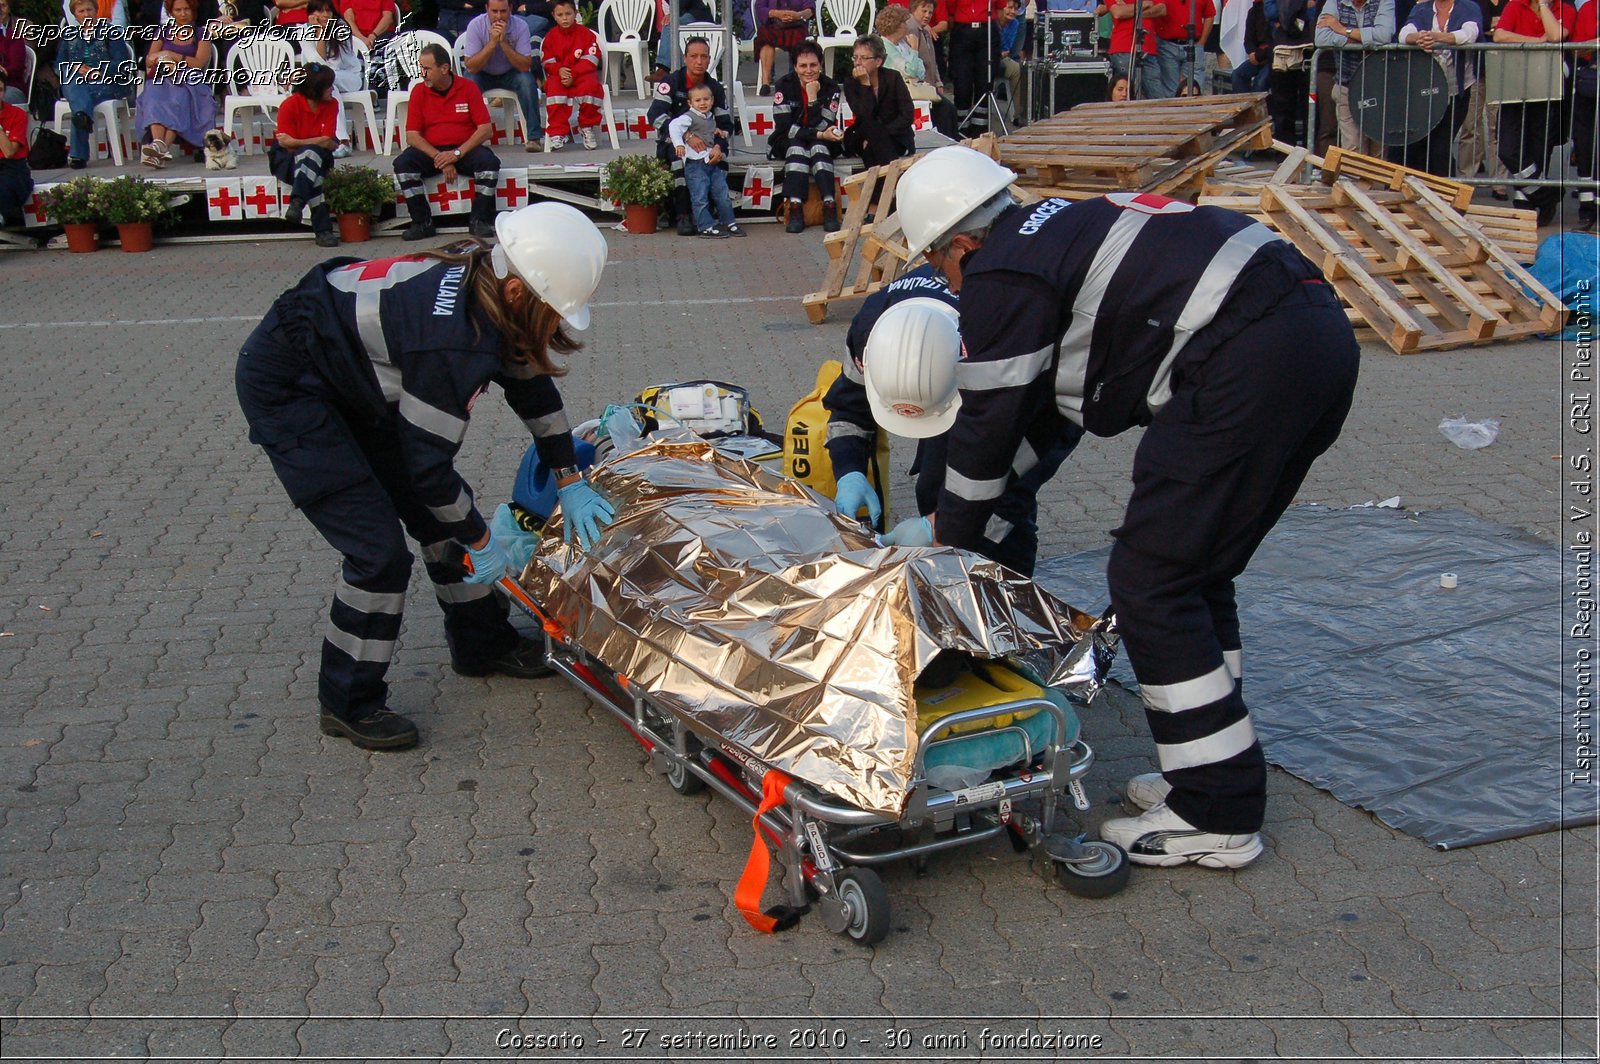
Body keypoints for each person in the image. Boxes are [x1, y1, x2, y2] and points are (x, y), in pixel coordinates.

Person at [885, 146, 1360, 868]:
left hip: (1247, 357)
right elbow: (1042, 423)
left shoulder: (1002, 271)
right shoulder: (1056, 234)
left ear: (959, 243)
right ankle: (1205, 774)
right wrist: (966, 516)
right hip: (1314, 336)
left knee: (1152, 580)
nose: (950, 282)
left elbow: (982, 436)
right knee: (1195, 573)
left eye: (940, 263)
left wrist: (947, 535)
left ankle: (1217, 814)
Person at [234, 203, 616, 752]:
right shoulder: (453, 342)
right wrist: (484, 542)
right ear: (517, 295)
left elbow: (531, 385)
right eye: (553, 310)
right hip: (292, 388)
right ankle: (348, 702)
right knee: (379, 555)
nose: (556, 323)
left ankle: (481, 644)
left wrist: (568, 475)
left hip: (349, 375)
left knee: (442, 524)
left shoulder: (490, 277)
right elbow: (428, 469)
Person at [826, 265, 1082, 575]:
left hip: (1018, 397)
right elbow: (848, 408)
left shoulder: (1006, 335)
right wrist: (849, 471)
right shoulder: (871, 329)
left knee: (997, 502)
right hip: (946, 387)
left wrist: (943, 524)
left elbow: (1052, 430)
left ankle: (1008, 594)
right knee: (937, 486)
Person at [394, 42, 500, 240]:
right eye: (420, 68)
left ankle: (479, 221)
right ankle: (422, 223)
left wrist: (456, 154)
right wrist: (440, 157)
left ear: (444, 68)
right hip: (432, 151)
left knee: (490, 164)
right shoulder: (418, 91)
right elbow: (412, 136)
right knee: (403, 165)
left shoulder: (468, 87)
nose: (422, 74)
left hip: (464, 150)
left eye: (427, 69)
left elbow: (485, 130)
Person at [1493, 0, 1575, 224]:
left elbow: (1557, 35)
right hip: (1514, 83)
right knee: (1508, 148)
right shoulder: (1515, 5)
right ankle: (1547, 195)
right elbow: (1499, 35)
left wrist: (1544, 6)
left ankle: (1526, 202)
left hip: (1546, 85)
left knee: (1538, 146)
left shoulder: (1564, 9)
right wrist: (1537, 41)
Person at [647, 36, 734, 235]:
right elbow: (654, 115)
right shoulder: (671, 82)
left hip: (709, 144)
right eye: (694, 56)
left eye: (704, 56)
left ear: (710, 59)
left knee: (719, 164)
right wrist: (686, 136)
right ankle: (683, 215)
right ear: (685, 58)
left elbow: (726, 124)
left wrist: (719, 146)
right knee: (679, 163)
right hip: (674, 142)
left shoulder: (715, 88)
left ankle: (716, 215)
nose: (699, 61)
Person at [1390, 0, 1480, 175]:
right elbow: (1404, 34)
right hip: (1424, 91)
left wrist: (1436, 37)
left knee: (1441, 146)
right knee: (1418, 144)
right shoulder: (1421, 8)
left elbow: (1468, 34)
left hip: (1456, 91)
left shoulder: (1468, 7)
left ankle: (1444, 194)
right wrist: (1418, 38)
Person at [769, 40, 845, 234]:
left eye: (813, 65)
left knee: (817, 147)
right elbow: (785, 127)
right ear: (795, 67)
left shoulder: (832, 88)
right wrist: (817, 131)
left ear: (821, 65)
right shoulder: (783, 85)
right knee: (797, 147)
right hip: (787, 139)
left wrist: (812, 99)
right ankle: (795, 208)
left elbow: (824, 124)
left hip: (821, 140)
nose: (808, 70)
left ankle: (829, 205)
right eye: (803, 66)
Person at [57, 0, 138, 169]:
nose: (86, 14)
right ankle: (82, 117)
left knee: (79, 97)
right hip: (79, 82)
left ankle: (79, 153)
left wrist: (98, 70)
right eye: (81, 11)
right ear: (74, 14)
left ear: (96, 11)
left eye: (89, 10)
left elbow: (122, 64)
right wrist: (75, 67)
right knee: (72, 79)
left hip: (107, 83)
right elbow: (58, 65)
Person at [136, 0, 216, 168]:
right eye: (178, 10)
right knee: (153, 94)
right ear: (171, 12)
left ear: (193, 11)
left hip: (189, 80)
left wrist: (171, 54)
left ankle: (159, 149)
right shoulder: (163, 32)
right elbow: (149, 60)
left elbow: (198, 63)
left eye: (186, 9)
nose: (182, 13)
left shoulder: (201, 34)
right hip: (163, 77)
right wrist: (162, 59)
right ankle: (159, 144)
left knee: (178, 98)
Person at [270, 62, 341, 247]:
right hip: (288, 159)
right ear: (316, 89)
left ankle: (297, 202)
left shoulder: (332, 104)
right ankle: (323, 231)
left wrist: (299, 142)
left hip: (317, 157)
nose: (332, 89)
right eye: (328, 86)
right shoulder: (290, 105)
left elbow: (328, 141)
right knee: (312, 168)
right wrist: (314, 142)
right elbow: (287, 146)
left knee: (310, 157)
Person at [1314, 0, 1396, 155]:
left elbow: (1384, 36)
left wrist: (1342, 30)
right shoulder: (1334, 2)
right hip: (1346, 85)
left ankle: (1374, 180)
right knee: (1352, 148)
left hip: (1379, 86)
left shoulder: (1384, 1)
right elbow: (1321, 38)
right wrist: (1363, 40)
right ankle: (1354, 180)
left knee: (1378, 150)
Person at [460, 0, 542, 148]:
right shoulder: (476, 25)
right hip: (482, 73)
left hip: (511, 72)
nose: (499, 16)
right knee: (469, 82)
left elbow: (525, 65)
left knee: (527, 81)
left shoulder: (521, 26)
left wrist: (503, 42)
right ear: (486, 9)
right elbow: (471, 66)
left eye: (503, 11)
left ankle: (534, 138)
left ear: (510, 9)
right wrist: (492, 43)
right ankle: (469, 137)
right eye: (494, 11)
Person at [669, 82, 745, 236]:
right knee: (700, 197)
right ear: (690, 103)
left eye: (706, 99)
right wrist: (679, 144)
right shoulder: (688, 117)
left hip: (712, 162)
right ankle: (705, 227)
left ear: (712, 100)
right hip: (695, 164)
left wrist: (718, 134)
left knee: (722, 194)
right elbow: (674, 126)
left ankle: (729, 222)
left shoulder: (710, 117)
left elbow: (711, 131)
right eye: (698, 100)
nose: (702, 103)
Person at [876, 3, 958, 134]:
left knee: (949, 108)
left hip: (914, 88)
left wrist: (913, 64)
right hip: (898, 93)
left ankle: (952, 143)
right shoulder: (886, 46)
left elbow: (920, 71)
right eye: (904, 23)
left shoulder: (902, 43)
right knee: (944, 110)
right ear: (896, 25)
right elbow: (910, 71)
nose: (907, 26)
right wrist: (914, 49)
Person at [300, 0, 365, 157]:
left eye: (327, 11)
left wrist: (322, 33)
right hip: (326, 81)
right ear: (311, 14)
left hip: (350, 77)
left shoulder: (340, 27)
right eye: (319, 11)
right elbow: (314, 64)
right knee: (329, 87)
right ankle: (342, 141)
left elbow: (327, 68)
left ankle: (341, 141)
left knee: (327, 82)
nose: (324, 15)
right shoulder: (303, 30)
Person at [842, 35, 916, 169]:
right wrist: (865, 84)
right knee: (872, 135)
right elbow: (864, 115)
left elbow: (907, 114)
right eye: (855, 57)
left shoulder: (893, 78)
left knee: (871, 148)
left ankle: (879, 189)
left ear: (878, 61)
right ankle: (893, 180)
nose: (858, 62)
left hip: (895, 134)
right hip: (863, 133)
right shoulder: (851, 83)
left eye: (864, 58)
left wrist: (880, 134)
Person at [540, 0, 601, 150]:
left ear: (576, 14)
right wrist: (559, 70)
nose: (565, 18)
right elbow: (547, 61)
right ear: (554, 16)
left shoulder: (586, 34)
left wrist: (573, 73)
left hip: (582, 74)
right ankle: (557, 132)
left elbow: (592, 58)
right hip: (559, 76)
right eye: (560, 15)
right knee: (554, 90)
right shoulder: (551, 37)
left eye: (568, 14)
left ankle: (586, 126)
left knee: (591, 87)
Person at [1268, 0, 1316, 143]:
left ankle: (1310, 153)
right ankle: (1285, 154)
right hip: (1281, 51)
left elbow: (1316, 12)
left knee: (1309, 105)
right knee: (1283, 106)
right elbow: (1269, 11)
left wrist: (1286, 16)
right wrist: (1301, 7)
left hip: (1308, 49)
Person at [948, 0, 1000, 123]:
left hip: (986, 30)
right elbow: (951, 10)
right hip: (962, 30)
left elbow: (1001, 8)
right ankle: (962, 124)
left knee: (984, 79)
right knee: (962, 81)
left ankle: (980, 126)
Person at [1150, 0, 1216, 98]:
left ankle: (1194, 112)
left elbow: (1210, 15)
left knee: (1195, 89)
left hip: (1194, 44)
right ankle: (1173, 112)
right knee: (1170, 90)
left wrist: (1202, 42)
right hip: (1167, 45)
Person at [1099, 0, 1161, 96]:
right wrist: (1144, 5)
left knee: (1157, 95)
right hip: (1124, 49)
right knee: (1129, 94)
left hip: (1149, 49)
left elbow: (1161, 10)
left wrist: (1130, 11)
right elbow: (1118, 13)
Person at [1571, 0, 1597, 228]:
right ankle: (1587, 210)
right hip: (1589, 89)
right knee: (1586, 149)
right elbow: (1577, 48)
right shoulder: (1589, 9)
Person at [755, 0, 814, 95]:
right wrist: (776, 13)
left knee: (798, 40)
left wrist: (798, 15)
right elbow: (759, 8)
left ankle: (794, 79)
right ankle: (765, 82)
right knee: (765, 38)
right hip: (774, 25)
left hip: (796, 25)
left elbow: (810, 9)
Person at [0, 66, 29, 226]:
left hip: (13, 169)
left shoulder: (17, 115)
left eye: (0, 90)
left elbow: (9, 151)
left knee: (5, 187)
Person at [1230, 0, 1273, 92]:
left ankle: (1257, 105)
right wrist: (1252, 53)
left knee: (1260, 81)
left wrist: (1259, 56)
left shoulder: (1275, 12)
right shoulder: (1253, 11)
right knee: (1237, 75)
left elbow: (1276, 41)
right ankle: (1244, 104)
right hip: (1257, 56)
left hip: (1274, 58)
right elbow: (1248, 40)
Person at [0, 0, 28, 106]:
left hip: (10, 85)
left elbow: (17, 67)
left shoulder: (13, 37)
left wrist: (3, 71)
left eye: (3, 6)